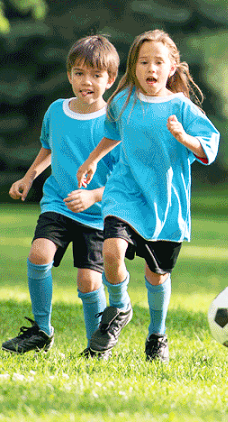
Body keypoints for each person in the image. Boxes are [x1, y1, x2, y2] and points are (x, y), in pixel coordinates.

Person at [76, 29, 219, 363]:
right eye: (143, 62)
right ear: (134, 66)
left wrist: (186, 138)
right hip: (124, 192)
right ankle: (120, 306)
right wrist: (92, 160)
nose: (150, 68)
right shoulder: (122, 102)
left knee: (157, 276)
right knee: (111, 250)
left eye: (158, 62)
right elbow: (113, 134)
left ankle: (157, 334)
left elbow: (209, 146)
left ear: (171, 67)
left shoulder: (181, 107)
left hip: (165, 204)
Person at [2, 35, 119, 358]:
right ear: (69, 75)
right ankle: (41, 330)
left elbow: (123, 181)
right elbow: (49, 147)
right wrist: (29, 176)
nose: (87, 82)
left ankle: (97, 346)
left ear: (109, 80)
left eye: (96, 75)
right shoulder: (56, 111)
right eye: (79, 73)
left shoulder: (114, 122)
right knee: (39, 254)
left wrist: (94, 195)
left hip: (97, 215)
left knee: (88, 282)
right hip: (58, 203)